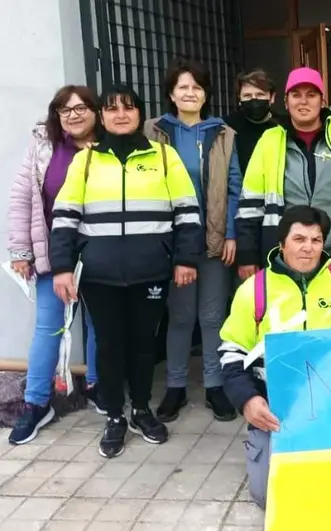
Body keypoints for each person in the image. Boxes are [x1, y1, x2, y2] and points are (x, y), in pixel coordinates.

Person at [49, 85, 203, 459]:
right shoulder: (85, 163)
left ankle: (141, 411)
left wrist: (185, 259)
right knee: (110, 345)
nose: (121, 114)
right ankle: (115, 416)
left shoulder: (164, 157)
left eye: (129, 108)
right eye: (113, 108)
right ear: (102, 116)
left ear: (140, 115)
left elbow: (187, 214)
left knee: (142, 344)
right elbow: (65, 218)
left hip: (149, 270)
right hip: (99, 275)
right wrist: (62, 268)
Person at [219, 205, 331, 508]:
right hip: (279, 414)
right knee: (271, 499)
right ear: (282, 244)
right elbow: (230, 353)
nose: (309, 248)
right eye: (299, 239)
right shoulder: (255, 289)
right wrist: (247, 400)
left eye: (316, 240)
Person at [144, 57, 241, 423]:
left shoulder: (222, 133)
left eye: (197, 87)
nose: (190, 93)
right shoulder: (154, 132)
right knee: (181, 316)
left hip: (214, 239)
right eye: (183, 86)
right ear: (171, 93)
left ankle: (215, 387)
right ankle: (176, 387)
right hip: (174, 242)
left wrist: (231, 232)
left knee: (213, 316)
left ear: (206, 94)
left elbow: (235, 187)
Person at [6, 85, 101, 445]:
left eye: (80, 108)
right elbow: (21, 199)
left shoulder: (107, 146)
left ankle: (97, 387)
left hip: (99, 253)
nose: (73, 115)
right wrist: (21, 251)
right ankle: (35, 403)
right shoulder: (44, 146)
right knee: (49, 328)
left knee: (99, 325)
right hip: (54, 253)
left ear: (94, 111)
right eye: (65, 110)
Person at [235, 67, 331, 277]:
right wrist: (247, 254)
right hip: (283, 257)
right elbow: (250, 204)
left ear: (322, 101)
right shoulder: (270, 140)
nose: (303, 101)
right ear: (286, 102)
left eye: (311, 95)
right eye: (296, 95)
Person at [223, 69, 278, 175]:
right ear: (239, 100)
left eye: (260, 95)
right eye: (247, 96)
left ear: (272, 97)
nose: (254, 100)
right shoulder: (227, 126)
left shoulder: (283, 127)